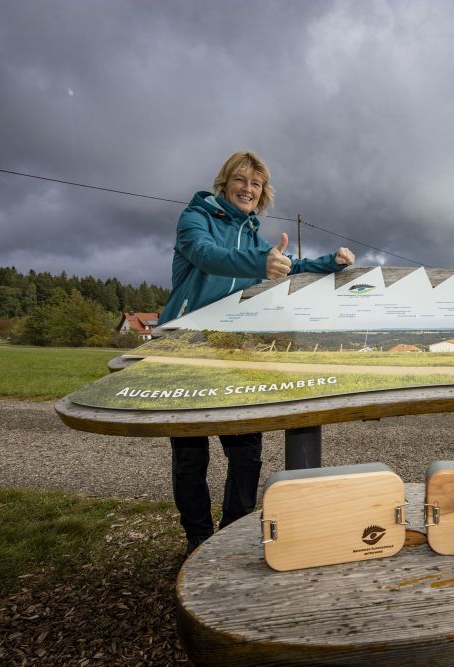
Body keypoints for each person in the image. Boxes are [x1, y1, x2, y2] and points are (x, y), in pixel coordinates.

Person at [158, 151, 355, 555]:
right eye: (241, 180)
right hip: (184, 347)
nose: (248, 189)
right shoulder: (195, 218)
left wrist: (328, 264)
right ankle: (196, 538)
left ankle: (233, 533)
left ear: (262, 193)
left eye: (256, 184)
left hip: (233, 348)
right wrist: (260, 262)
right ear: (224, 183)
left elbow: (287, 265)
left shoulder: (252, 237)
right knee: (190, 455)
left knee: (246, 452)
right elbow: (206, 255)